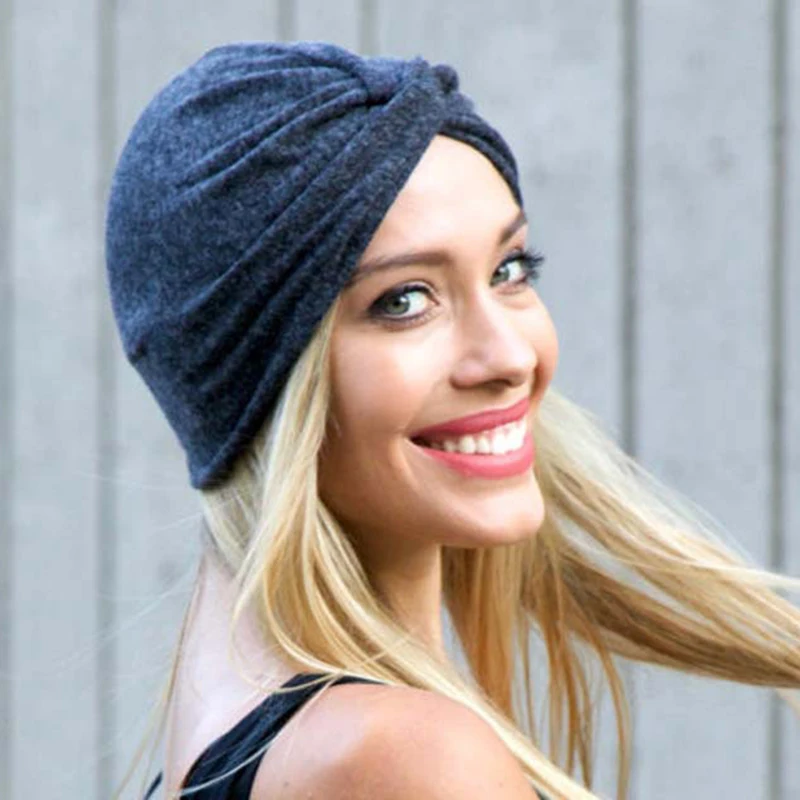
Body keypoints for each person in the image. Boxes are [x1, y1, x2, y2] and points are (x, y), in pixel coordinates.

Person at [104, 41, 800, 800]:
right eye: (403, 301)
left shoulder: (226, 734)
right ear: (253, 376)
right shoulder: (406, 758)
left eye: (510, 270)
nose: (510, 356)